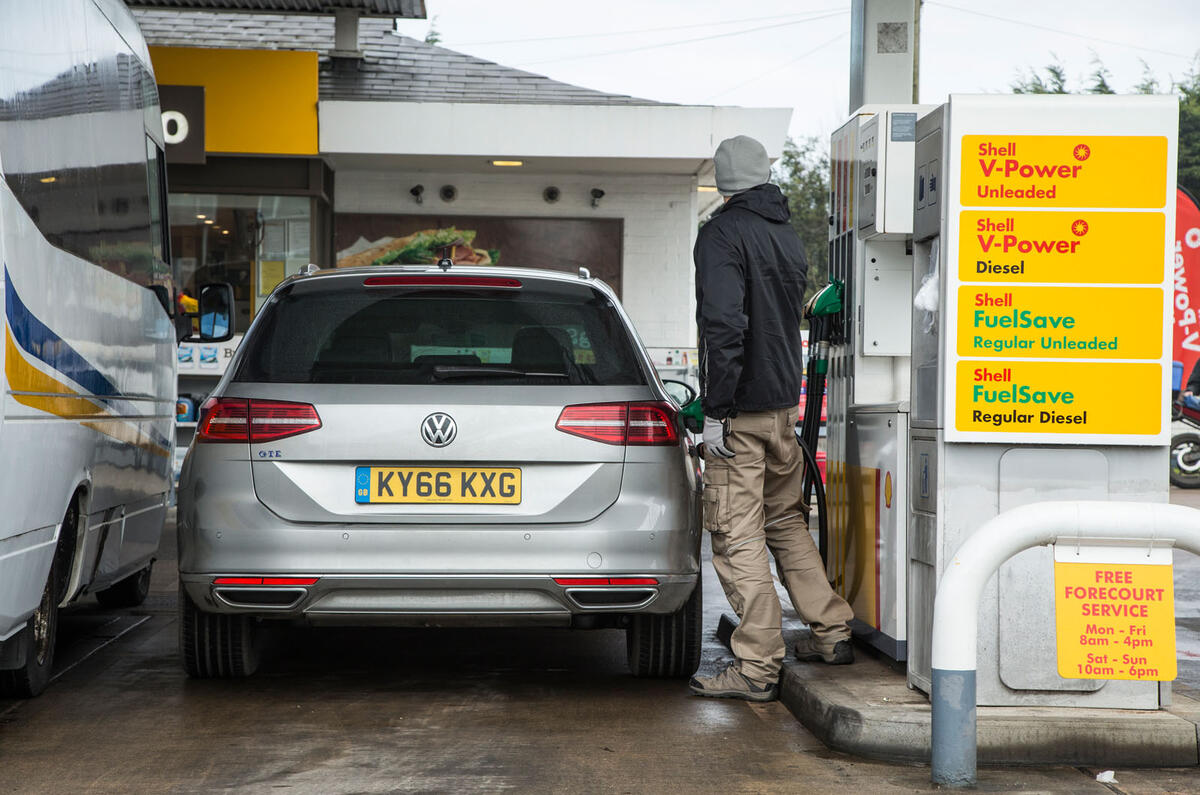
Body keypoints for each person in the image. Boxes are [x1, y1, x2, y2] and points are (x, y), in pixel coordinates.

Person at [688, 135, 855, 703]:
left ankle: (757, 666)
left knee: (736, 537)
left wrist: (714, 410)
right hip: (784, 408)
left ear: (722, 179)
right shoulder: (784, 235)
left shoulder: (721, 234)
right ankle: (832, 631)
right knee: (785, 523)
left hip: (740, 413)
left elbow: (724, 327)